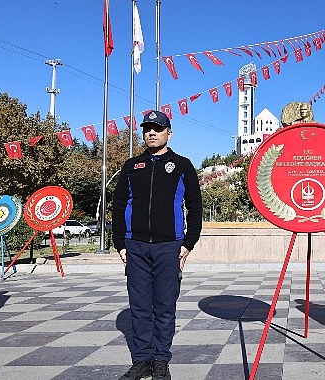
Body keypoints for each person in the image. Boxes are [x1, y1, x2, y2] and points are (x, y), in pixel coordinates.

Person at [113, 110, 203, 380]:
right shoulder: (132, 166)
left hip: (169, 247)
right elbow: (118, 206)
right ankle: (142, 360)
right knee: (139, 306)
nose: (152, 133)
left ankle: (161, 359)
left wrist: (189, 243)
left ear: (169, 133)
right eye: (147, 129)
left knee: (164, 306)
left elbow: (195, 206)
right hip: (136, 246)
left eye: (158, 128)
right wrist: (120, 242)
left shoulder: (183, 165)